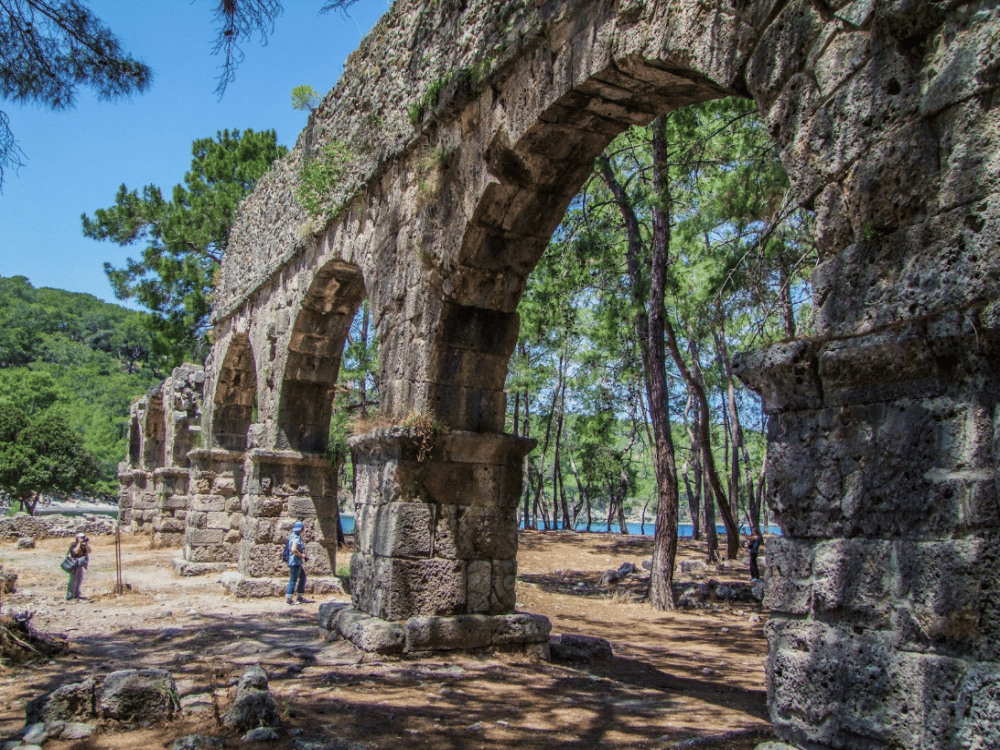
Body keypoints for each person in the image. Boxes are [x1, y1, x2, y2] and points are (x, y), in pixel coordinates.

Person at [285, 521, 307, 605]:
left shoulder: (292, 536)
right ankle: (289, 599)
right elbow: (294, 549)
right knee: (293, 580)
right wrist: (302, 555)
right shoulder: (296, 538)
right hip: (295, 562)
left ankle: (299, 596)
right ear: (301, 529)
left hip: (294, 561)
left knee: (302, 577)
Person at [65, 533, 90, 600]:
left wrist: (86, 545)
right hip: (74, 565)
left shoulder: (83, 546)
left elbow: (89, 551)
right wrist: (79, 543)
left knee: (79, 580)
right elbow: (75, 552)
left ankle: (77, 594)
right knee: (73, 581)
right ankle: (70, 596)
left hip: (80, 565)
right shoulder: (74, 545)